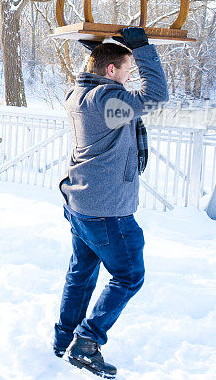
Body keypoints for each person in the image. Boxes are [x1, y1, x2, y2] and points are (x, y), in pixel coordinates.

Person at [53, 27, 169, 378]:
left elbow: (108, 83)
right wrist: (142, 49)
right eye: (127, 70)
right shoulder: (106, 102)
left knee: (81, 272)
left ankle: (64, 340)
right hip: (107, 210)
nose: (132, 77)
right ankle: (86, 343)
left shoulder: (80, 93)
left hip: (81, 203)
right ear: (110, 72)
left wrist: (100, 50)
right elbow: (157, 97)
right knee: (129, 275)